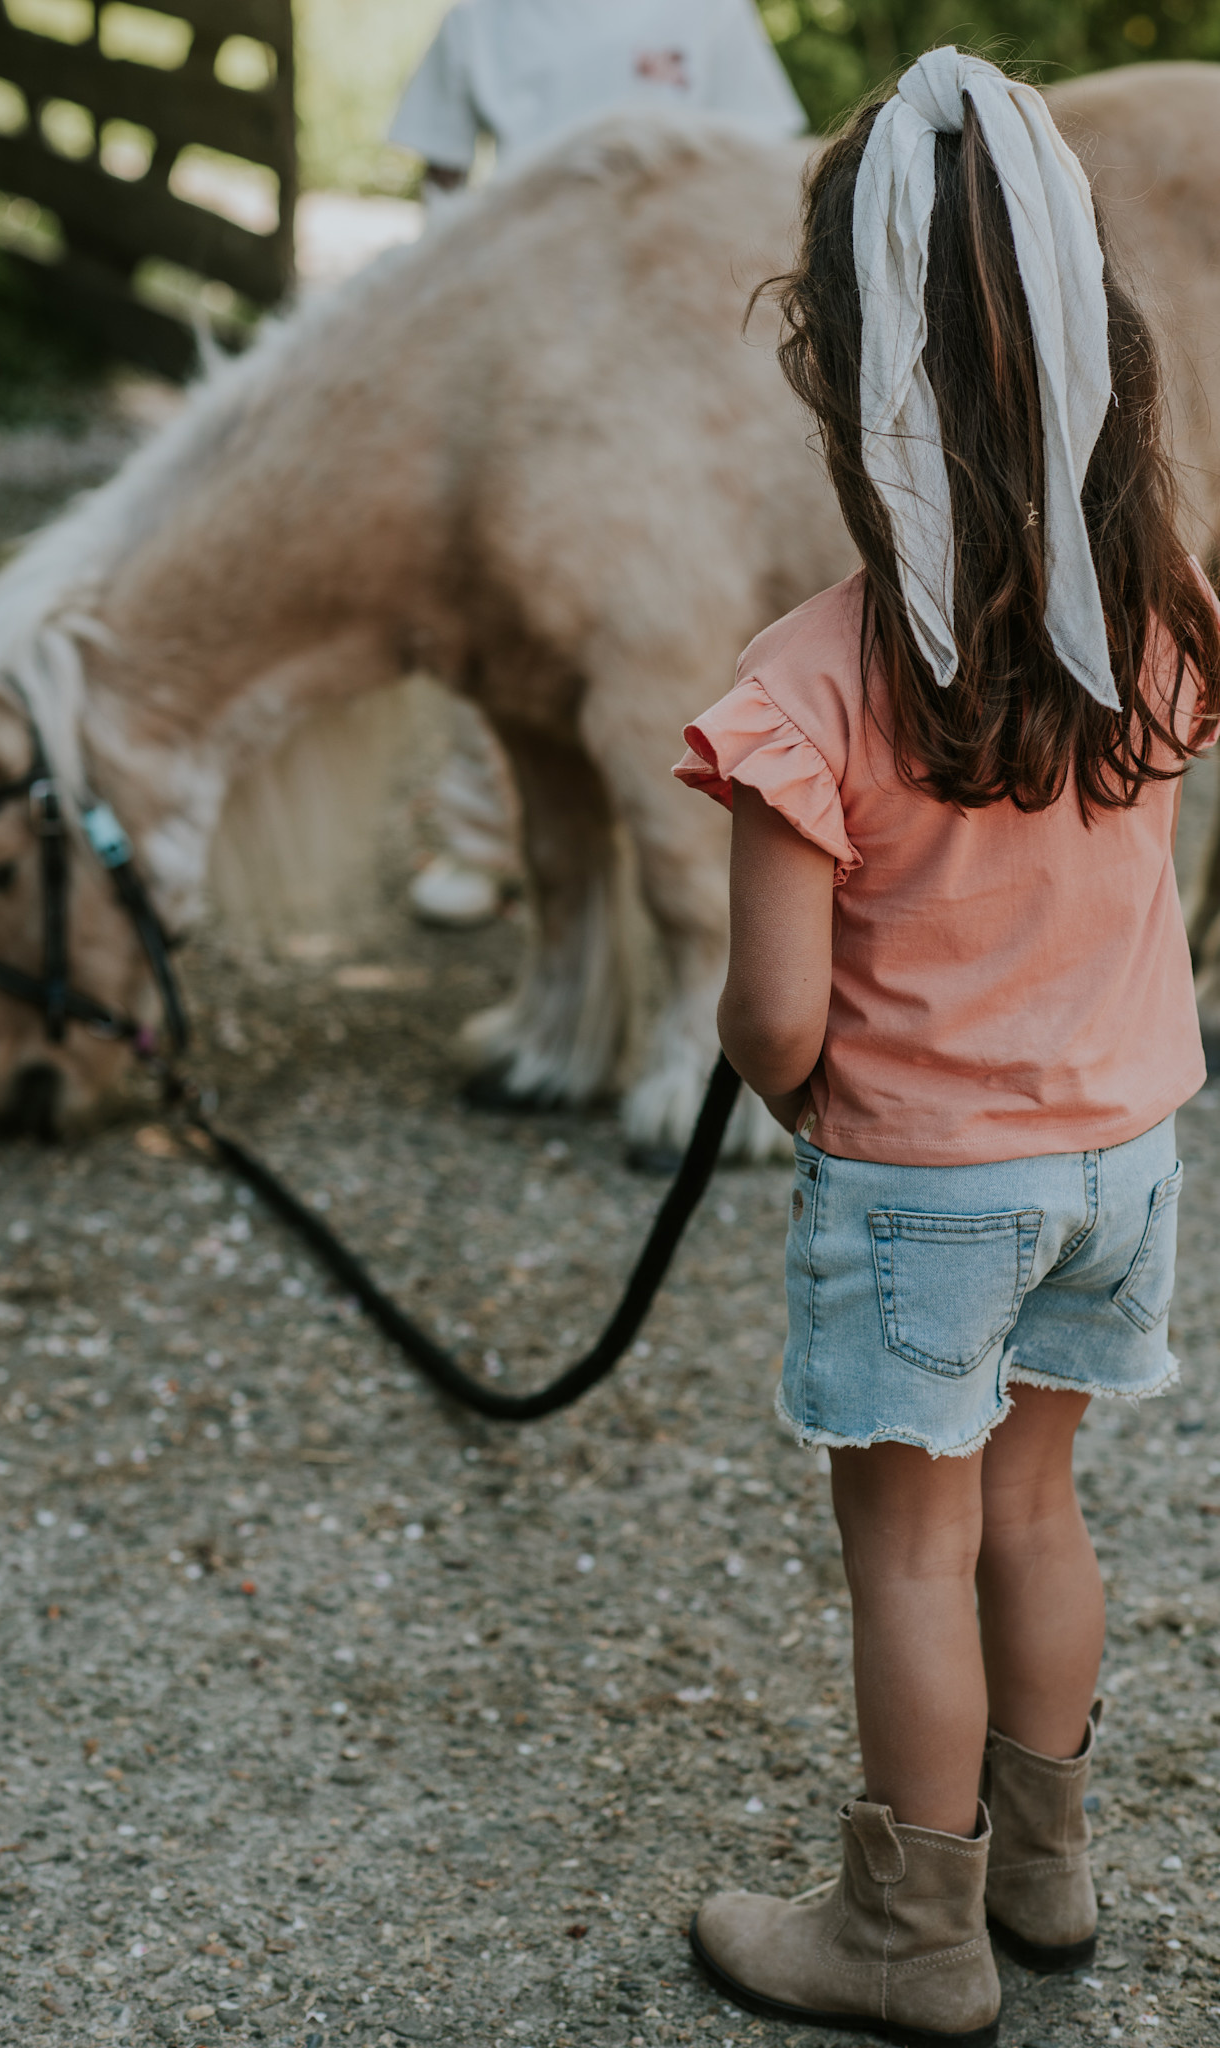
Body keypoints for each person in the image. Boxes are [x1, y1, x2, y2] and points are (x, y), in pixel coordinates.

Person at [672, 48, 1220, 2043]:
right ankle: (1044, 1869)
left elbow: (773, 1013)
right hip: (1121, 1162)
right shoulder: (1157, 611)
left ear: (839, 369)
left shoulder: (808, 679)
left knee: (908, 1547)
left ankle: (911, 1934)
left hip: (925, 1182)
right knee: (1034, 1507)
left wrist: (795, 1090)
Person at [390, 0, 807, 926]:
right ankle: (480, 835)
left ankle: (704, 824)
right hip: (525, 344)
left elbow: (766, 168)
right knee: (494, 586)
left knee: (669, 594)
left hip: (675, 343)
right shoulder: (482, 18)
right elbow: (442, 179)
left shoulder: (708, 13)